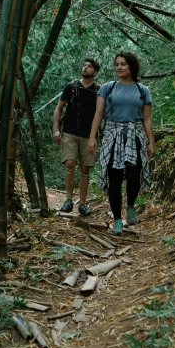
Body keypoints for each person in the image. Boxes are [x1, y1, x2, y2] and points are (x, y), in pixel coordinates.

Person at [87, 52, 155, 235]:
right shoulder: (108, 89)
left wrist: (151, 142)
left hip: (135, 134)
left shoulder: (142, 91)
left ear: (131, 66)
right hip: (112, 134)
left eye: (123, 64)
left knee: (134, 176)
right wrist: (92, 138)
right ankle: (117, 219)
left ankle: (131, 204)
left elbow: (147, 119)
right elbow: (98, 114)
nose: (119, 67)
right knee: (114, 178)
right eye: (117, 64)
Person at [53, 58, 101, 216]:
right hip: (69, 131)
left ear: (95, 72)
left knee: (85, 168)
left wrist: (94, 137)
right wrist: (56, 129)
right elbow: (59, 108)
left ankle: (82, 202)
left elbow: (100, 114)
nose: (85, 68)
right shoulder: (72, 87)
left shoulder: (98, 91)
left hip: (88, 135)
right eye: (84, 65)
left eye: (89, 67)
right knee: (70, 163)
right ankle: (68, 199)